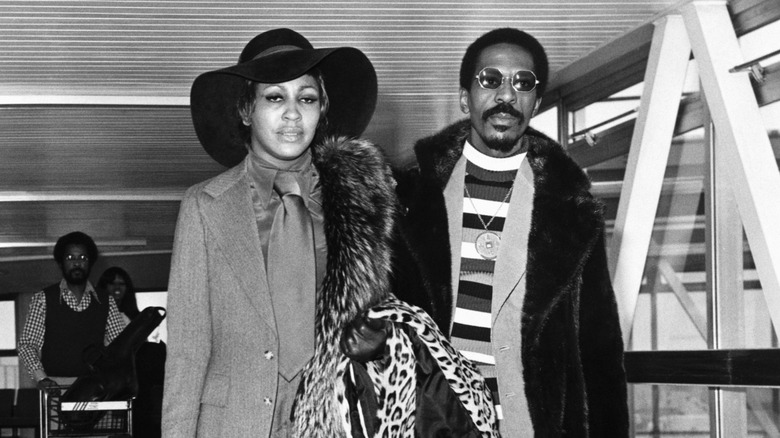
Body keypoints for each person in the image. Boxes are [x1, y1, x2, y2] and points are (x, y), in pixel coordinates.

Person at [162, 28, 497, 438]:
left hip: (337, 419)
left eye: (306, 98)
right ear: (246, 110)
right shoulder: (204, 206)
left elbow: (402, 321)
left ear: (322, 110)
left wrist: (379, 344)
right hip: (232, 424)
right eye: (274, 97)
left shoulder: (362, 199)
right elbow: (187, 355)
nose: (291, 113)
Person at [392, 28, 629, 436]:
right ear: (466, 97)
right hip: (431, 422)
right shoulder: (408, 200)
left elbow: (600, 352)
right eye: (490, 79)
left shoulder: (574, 214)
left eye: (523, 83)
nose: (506, 94)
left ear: (535, 102)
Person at [18, 231, 126, 388]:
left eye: (83, 258)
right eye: (70, 258)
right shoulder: (43, 299)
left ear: (90, 263)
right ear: (61, 263)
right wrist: (42, 378)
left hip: (95, 387)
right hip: (55, 386)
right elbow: (27, 345)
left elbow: (120, 345)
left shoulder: (106, 301)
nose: (77, 263)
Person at [97, 266, 166, 438]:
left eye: (122, 284)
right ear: (104, 287)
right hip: (107, 380)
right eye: (112, 283)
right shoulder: (96, 316)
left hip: (135, 381)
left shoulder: (135, 318)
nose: (117, 288)